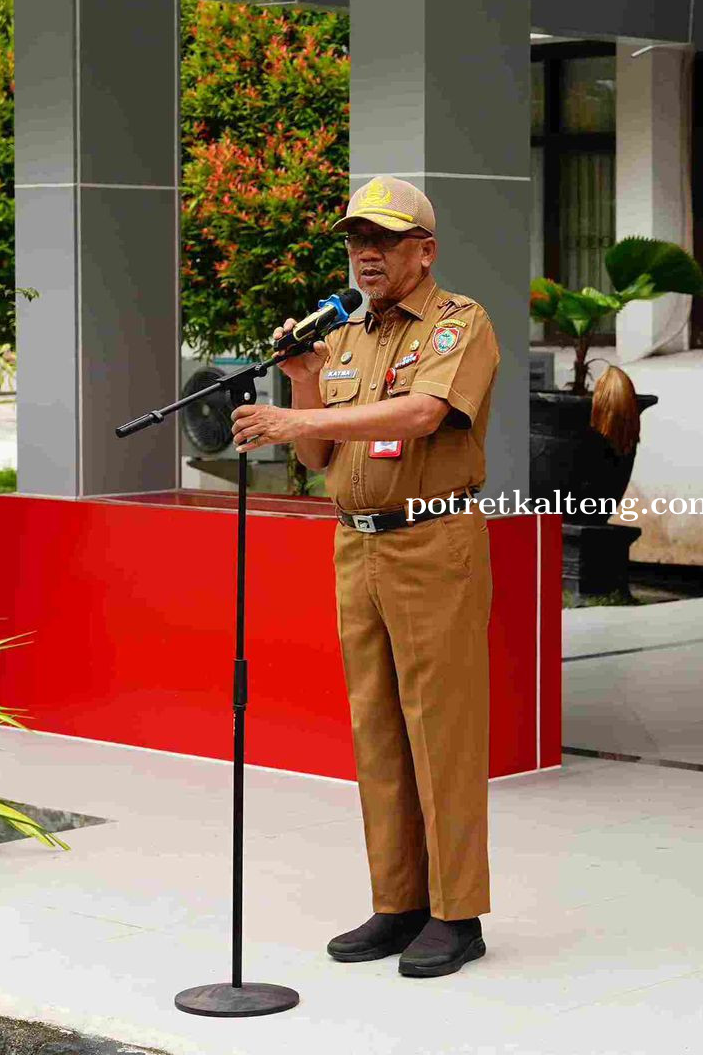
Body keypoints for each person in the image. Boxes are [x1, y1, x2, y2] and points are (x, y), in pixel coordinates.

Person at [229, 175, 499, 976]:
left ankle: (458, 915)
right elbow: (315, 458)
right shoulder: (343, 334)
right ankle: (399, 903)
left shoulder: (460, 324)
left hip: (431, 544)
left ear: (426, 250)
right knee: (376, 729)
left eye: (382, 240)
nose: (366, 255)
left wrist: (296, 416)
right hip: (356, 544)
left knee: (440, 732)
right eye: (355, 240)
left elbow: (420, 415)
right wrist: (305, 379)